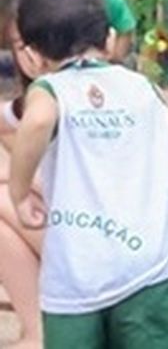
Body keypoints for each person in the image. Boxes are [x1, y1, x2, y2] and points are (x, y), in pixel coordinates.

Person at [7, 0, 168, 348]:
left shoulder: (50, 91)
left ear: (33, 57)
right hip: (151, 269)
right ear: (110, 39)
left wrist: (20, 193)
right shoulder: (143, 87)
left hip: (76, 275)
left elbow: (35, 123)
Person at [0, 18, 44, 349]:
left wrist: (13, 179)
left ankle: (37, 333)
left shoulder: (53, 101)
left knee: (7, 200)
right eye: (19, 45)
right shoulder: (28, 104)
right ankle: (36, 329)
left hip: (105, 238)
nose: (28, 55)